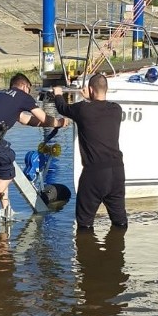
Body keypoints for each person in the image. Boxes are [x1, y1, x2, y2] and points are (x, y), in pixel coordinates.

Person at [0, 73, 69, 223]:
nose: (29, 95)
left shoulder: (0, 94)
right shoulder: (23, 95)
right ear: (24, 86)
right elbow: (43, 117)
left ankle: (6, 209)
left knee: (3, 168)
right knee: (7, 173)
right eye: (29, 90)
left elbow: (25, 119)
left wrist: (50, 123)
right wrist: (59, 122)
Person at [53, 74, 127, 230]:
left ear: (91, 90)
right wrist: (89, 98)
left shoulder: (82, 109)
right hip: (117, 172)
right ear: (106, 89)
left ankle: (86, 252)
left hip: (95, 174)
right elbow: (97, 110)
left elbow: (62, 108)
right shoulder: (116, 110)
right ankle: (118, 252)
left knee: (84, 225)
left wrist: (58, 93)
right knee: (120, 222)